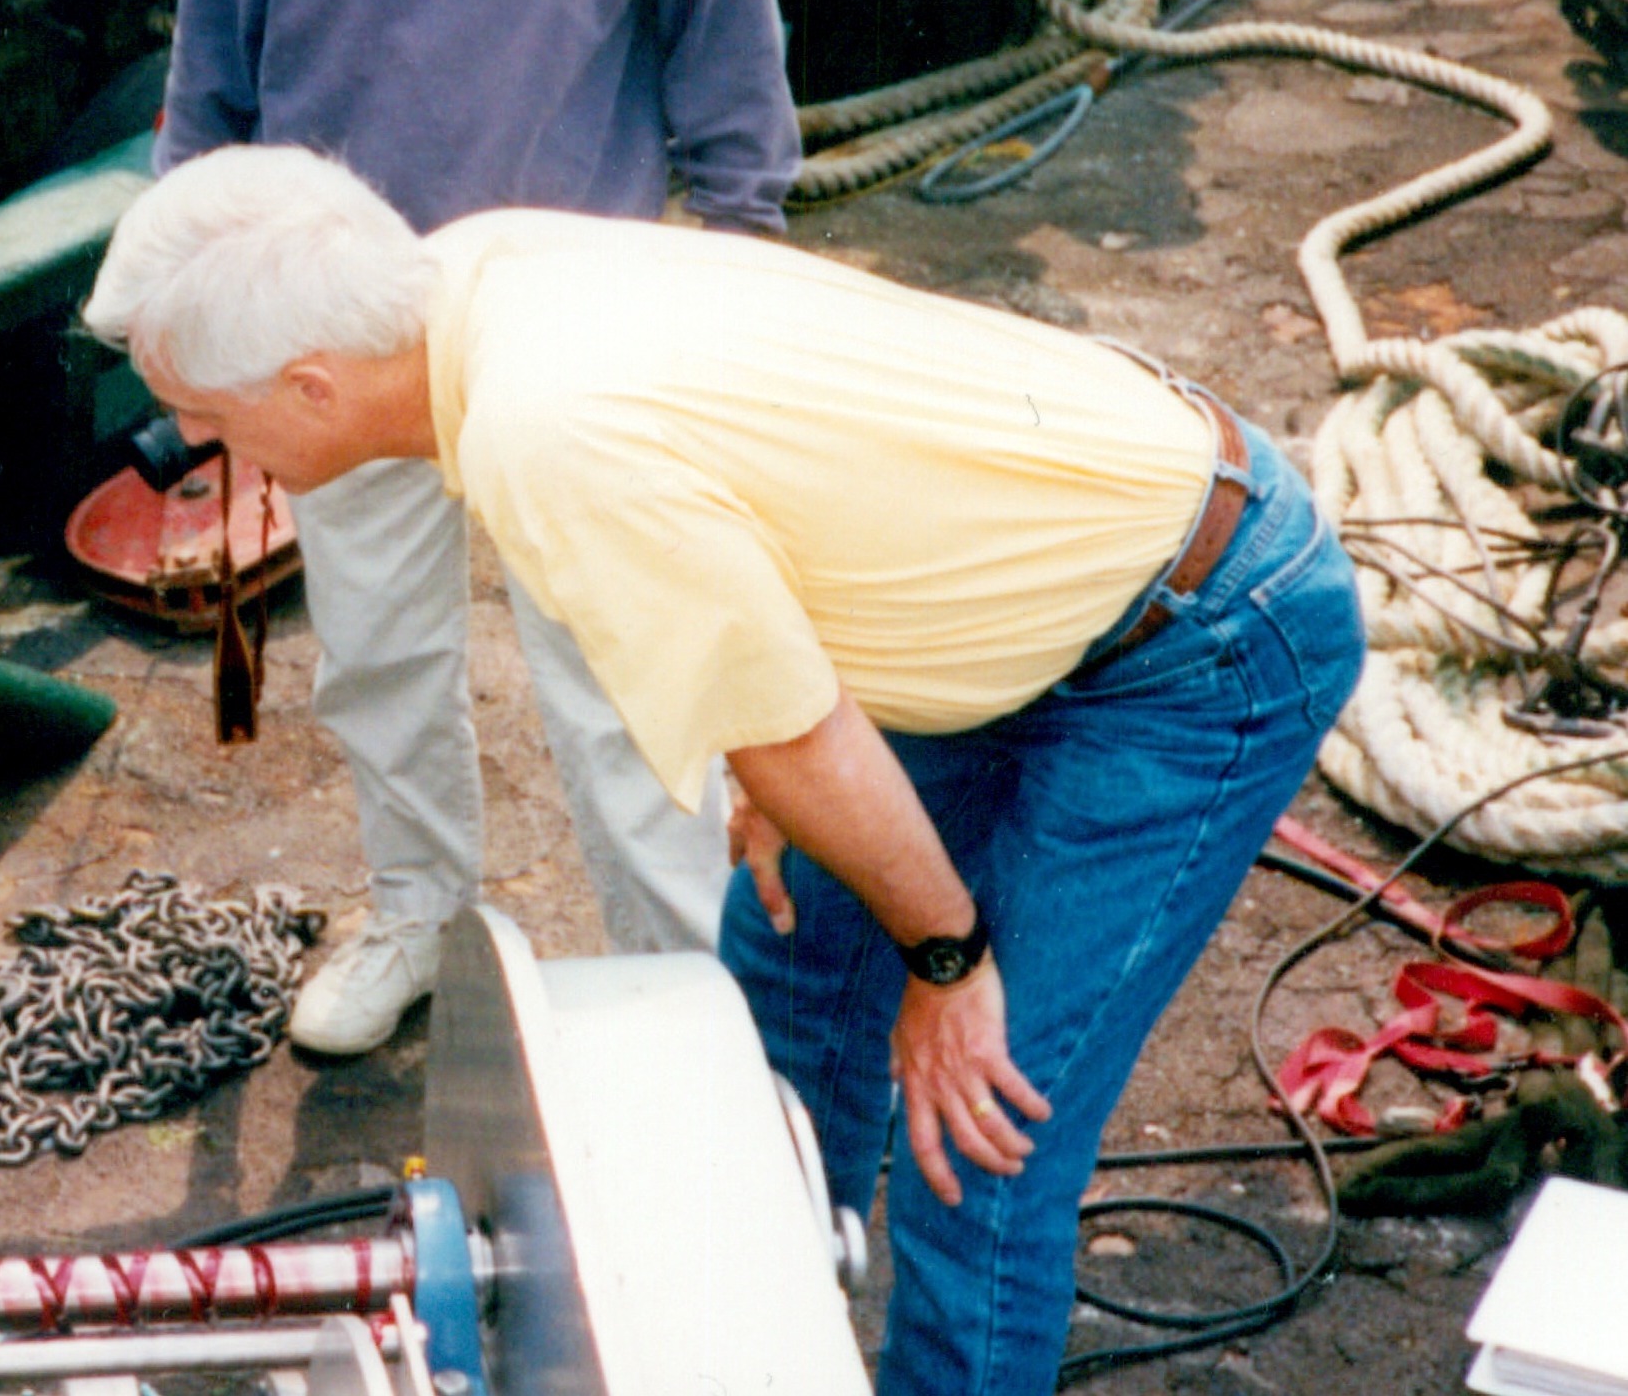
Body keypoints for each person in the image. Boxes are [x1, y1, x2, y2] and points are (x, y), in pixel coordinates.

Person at [83, 147, 1365, 1396]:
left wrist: (946, 963)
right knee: (789, 977)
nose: (186, 438)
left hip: (1191, 635)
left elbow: (793, 735)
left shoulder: (544, 429)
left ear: (310, 385)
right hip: (1021, 582)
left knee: (978, 1136)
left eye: (205, 413)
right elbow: (756, 506)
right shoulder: (465, 272)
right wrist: (791, 772)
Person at [154, 0, 801, 1053]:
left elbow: (728, 53)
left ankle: (678, 968)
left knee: (623, 680)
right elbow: (207, 79)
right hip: (338, 333)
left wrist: (742, 267)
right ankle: (418, 916)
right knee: (376, 659)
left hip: (575, 324)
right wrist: (193, 315)